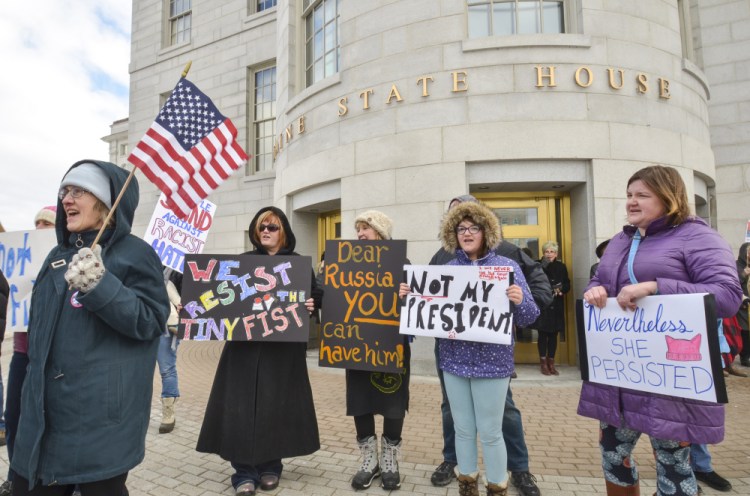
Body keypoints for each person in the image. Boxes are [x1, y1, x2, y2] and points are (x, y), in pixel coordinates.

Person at [580, 165, 743, 496]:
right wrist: (594, 289)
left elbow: (727, 297)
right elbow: (599, 279)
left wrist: (656, 287)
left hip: (668, 381)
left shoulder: (698, 237)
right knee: (613, 456)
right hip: (622, 377)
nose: (631, 202)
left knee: (673, 463)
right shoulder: (620, 241)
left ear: (669, 198)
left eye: (642, 195)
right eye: (629, 195)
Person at [10, 160, 170, 495]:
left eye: (78, 191)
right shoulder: (56, 255)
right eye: (64, 191)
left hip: (100, 419)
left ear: (105, 202)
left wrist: (100, 285)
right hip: (44, 416)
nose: (66, 199)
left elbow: (151, 321)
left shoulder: (135, 254)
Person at [429, 195, 551, 496]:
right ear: (453, 234)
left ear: (486, 231)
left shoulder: (507, 265)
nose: (467, 233)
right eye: (460, 229)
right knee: (463, 429)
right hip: (454, 360)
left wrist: (520, 300)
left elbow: (530, 315)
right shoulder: (446, 267)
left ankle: (498, 487)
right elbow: (427, 313)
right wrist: (411, 296)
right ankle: (467, 484)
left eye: (473, 227)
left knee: (492, 432)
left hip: (492, 363)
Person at [196, 206, 321, 496]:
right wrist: (194, 308)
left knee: (275, 406)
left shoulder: (299, 265)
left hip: (283, 352)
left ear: (284, 233)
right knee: (241, 409)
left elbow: (313, 297)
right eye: (261, 226)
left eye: (272, 227)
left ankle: (270, 466)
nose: (265, 231)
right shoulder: (243, 263)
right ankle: (243, 472)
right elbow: (213, 298)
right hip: (243, 351)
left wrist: (311, 306)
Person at [344, 211, 410, 491]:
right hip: (357, 345)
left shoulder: (402, 263)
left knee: (393, 401)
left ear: (381, 233)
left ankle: (390, 459)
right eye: (358, 229)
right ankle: (369, 460)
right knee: (360, 400)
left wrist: (407, 295)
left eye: (366, 228)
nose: (360, 233)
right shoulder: (346, 263)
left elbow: (420, 309)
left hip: (391, 346)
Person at [0, 207, 57, 496]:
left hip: (52, 356)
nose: (39, 227)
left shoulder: (61, 260)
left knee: (48, 420)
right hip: (22, 352)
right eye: (36, 223)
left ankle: (54, 480)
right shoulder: (20, 263)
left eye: (46, 223)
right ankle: (16, 474)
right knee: (13, 418)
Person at [534, 240, 569, 376]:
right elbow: (534, 282)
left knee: (554, 335)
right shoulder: (538, 265)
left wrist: (561, 290)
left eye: (552, 252)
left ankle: (551, 363)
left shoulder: (561, 266)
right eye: (547, 252)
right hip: (543, 304)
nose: (549, 254)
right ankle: (543, 363)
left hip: (556, 304)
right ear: (543, 253)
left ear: (556, 253)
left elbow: (567, 284)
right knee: (542, 334)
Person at [157, 267, 183, 433]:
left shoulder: (178, 270)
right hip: (144, 322)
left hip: (166, 326)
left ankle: (168, 413)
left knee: (167, 369)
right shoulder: (143, 266)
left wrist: (182, 305)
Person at [734, 242, 750, 367]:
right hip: (743, 303)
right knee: (745, 331)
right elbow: (733, 284)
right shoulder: (736, 266)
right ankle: (745, 357)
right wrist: (743, 274)